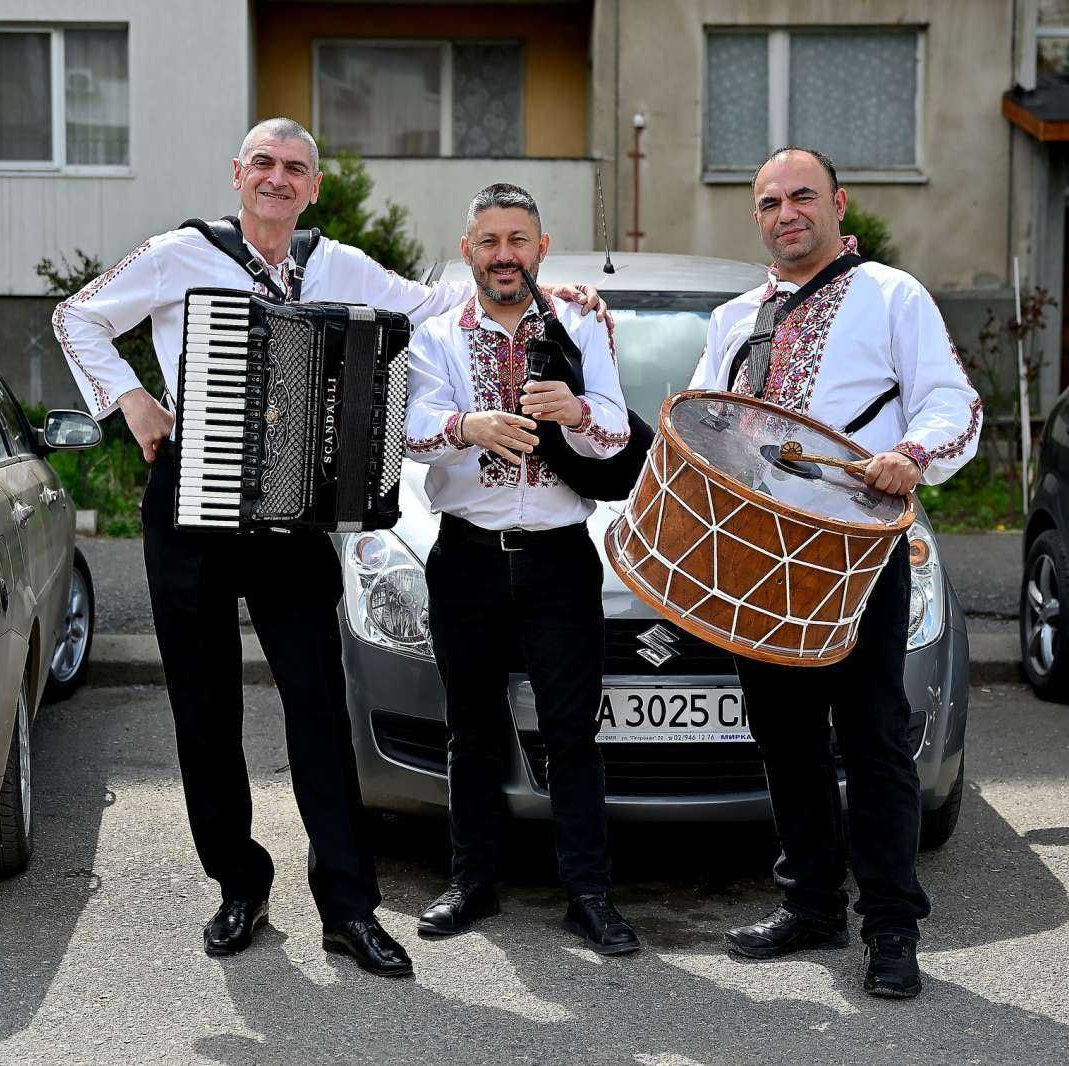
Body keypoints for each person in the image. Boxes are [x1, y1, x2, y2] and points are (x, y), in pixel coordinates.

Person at [53, 118, 607, 979]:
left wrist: (554, 291)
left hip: (293, 517)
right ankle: (239, 883)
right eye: (264, 165)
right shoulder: (176, 254)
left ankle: (347, 906)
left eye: (296, 169)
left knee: (317, 710)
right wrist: (130, 401)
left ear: (314, 185)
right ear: (238, 174)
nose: (278, 179)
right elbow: (76, 317)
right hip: (190, 508)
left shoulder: (338, 265)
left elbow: (438, 307)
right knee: (204, 714)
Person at [690, 147, 982, 999]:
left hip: (856, 553)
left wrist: (909, 455)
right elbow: (704, 424)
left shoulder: (892, 295)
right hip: (758, 558)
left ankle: (891, 927)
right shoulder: (734, 317)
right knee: (784, 738)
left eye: (803, 196)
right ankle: (811, 902)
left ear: (838, 204)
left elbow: (953, 403)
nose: (787, 213)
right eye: (771, 201)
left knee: (873, 738)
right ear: (758, 217)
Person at [403, 183, 640, 956]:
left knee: (573, 734)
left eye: (518, 239)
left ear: (542, 246)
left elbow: (614, 433)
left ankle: (590, 895)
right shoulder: (436, 328)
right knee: (470, 730)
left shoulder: (580, 322)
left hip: (561, 560)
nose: (504, 254)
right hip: (466, 555)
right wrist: (469, 423)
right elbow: (409, 432)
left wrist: (575, 412)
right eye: (489, 240)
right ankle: (471, 883)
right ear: (468, 248)